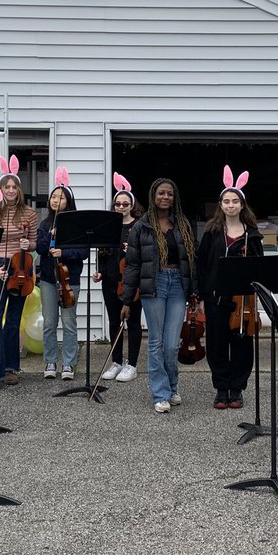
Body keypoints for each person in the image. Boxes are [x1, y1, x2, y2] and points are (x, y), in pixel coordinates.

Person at [121, 177, 197, 413]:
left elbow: (192, 261)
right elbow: (132, 264)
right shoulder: (142, 227)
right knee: (156, 342)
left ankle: (173, 387)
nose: (165, 197)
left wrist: (195, 291)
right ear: (153, 196)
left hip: (177, 285)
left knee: (172, 345)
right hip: (153, 285)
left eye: (170, 194)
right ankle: (160, 393)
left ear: (175, 198)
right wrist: (127, 299)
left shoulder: (182, 224)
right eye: (161, 193)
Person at [196, 167, 263, 409]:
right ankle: (221, 388)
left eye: (235, 201)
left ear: (242, 205)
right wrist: (202, 295)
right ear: (221, 205)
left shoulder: (252, 235)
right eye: (226, 201)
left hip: (243, 300)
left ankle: (237, 388)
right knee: (216, 343)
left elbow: (260, 269)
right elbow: (201, 264)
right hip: (216, 297)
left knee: (242, 344)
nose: (231, 205)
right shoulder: (212, 232)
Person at [0, 156, 39, 386]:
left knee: (13, 320)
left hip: (21, 267)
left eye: (14, 186)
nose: (11, 190)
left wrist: (29, 245)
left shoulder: (29, 214)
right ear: (1, 189)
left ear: (19, 190)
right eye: (7, 187)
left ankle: (10, 368)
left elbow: (35, 242)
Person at [95, 173, 143, 383]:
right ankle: (116, 362)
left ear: (132, 205)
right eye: (118, 204)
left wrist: (132, 250)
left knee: (132, 323)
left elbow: (146, 255)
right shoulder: (109, 225)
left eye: (125, 203)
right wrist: (100, 271)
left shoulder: (139, 226)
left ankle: (131, 364)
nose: (121, 206)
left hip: (132, 283)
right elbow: (103, 253)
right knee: (114, 322)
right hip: (111, 280)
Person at [38, 169, 84, 380]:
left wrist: (63, 252)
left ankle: (68, 363)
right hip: (48, 280)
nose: (57, 200)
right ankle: (50, 361)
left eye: (61, 197)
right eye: (54, 197)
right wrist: (50, 237)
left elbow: (82, 253)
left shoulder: (76, 225)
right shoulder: (45, 224)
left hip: (69, 280)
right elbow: (39, 248)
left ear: (69, 201)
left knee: (68, 322)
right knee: (49, 322)